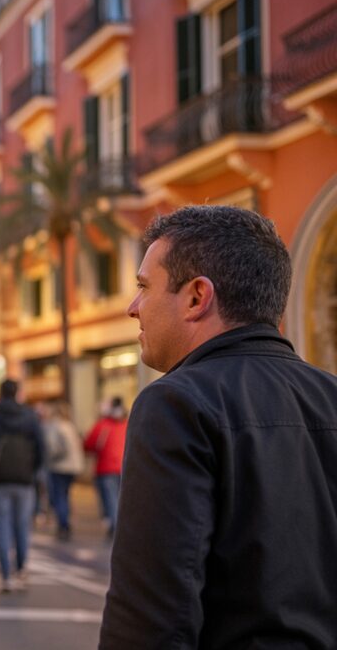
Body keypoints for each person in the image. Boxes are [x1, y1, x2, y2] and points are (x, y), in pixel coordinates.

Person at [100, 205, 337, 648]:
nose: (134, 308)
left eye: (143, 287)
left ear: (196, 297)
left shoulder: (175, 403)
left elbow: (152, 613)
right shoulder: (331, 395)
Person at [0, 378, 44, 593]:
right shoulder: (29, 415)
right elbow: (41, 448)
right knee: (22, 525)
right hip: (24, 479)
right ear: (17, 392)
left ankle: (5, 576)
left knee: (1, 526)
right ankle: (21, 569)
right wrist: (33, 471)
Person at [82, 397, 127, 538]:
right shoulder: (128, 423)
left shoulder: (103, 425)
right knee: (123, 498)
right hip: (124, 467)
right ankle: (122, 526)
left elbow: (88, 444)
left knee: (111, 499)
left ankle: (115, 526)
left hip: (106, 468)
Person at [41, 401, 83, 541]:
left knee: (58, 495)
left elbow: (53, 447)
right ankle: (65, 520)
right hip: (73, 466)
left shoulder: (55, 426)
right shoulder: (70, 426)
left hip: (59, 466)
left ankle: (63, 523)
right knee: (65, 494)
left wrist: (51, 458)